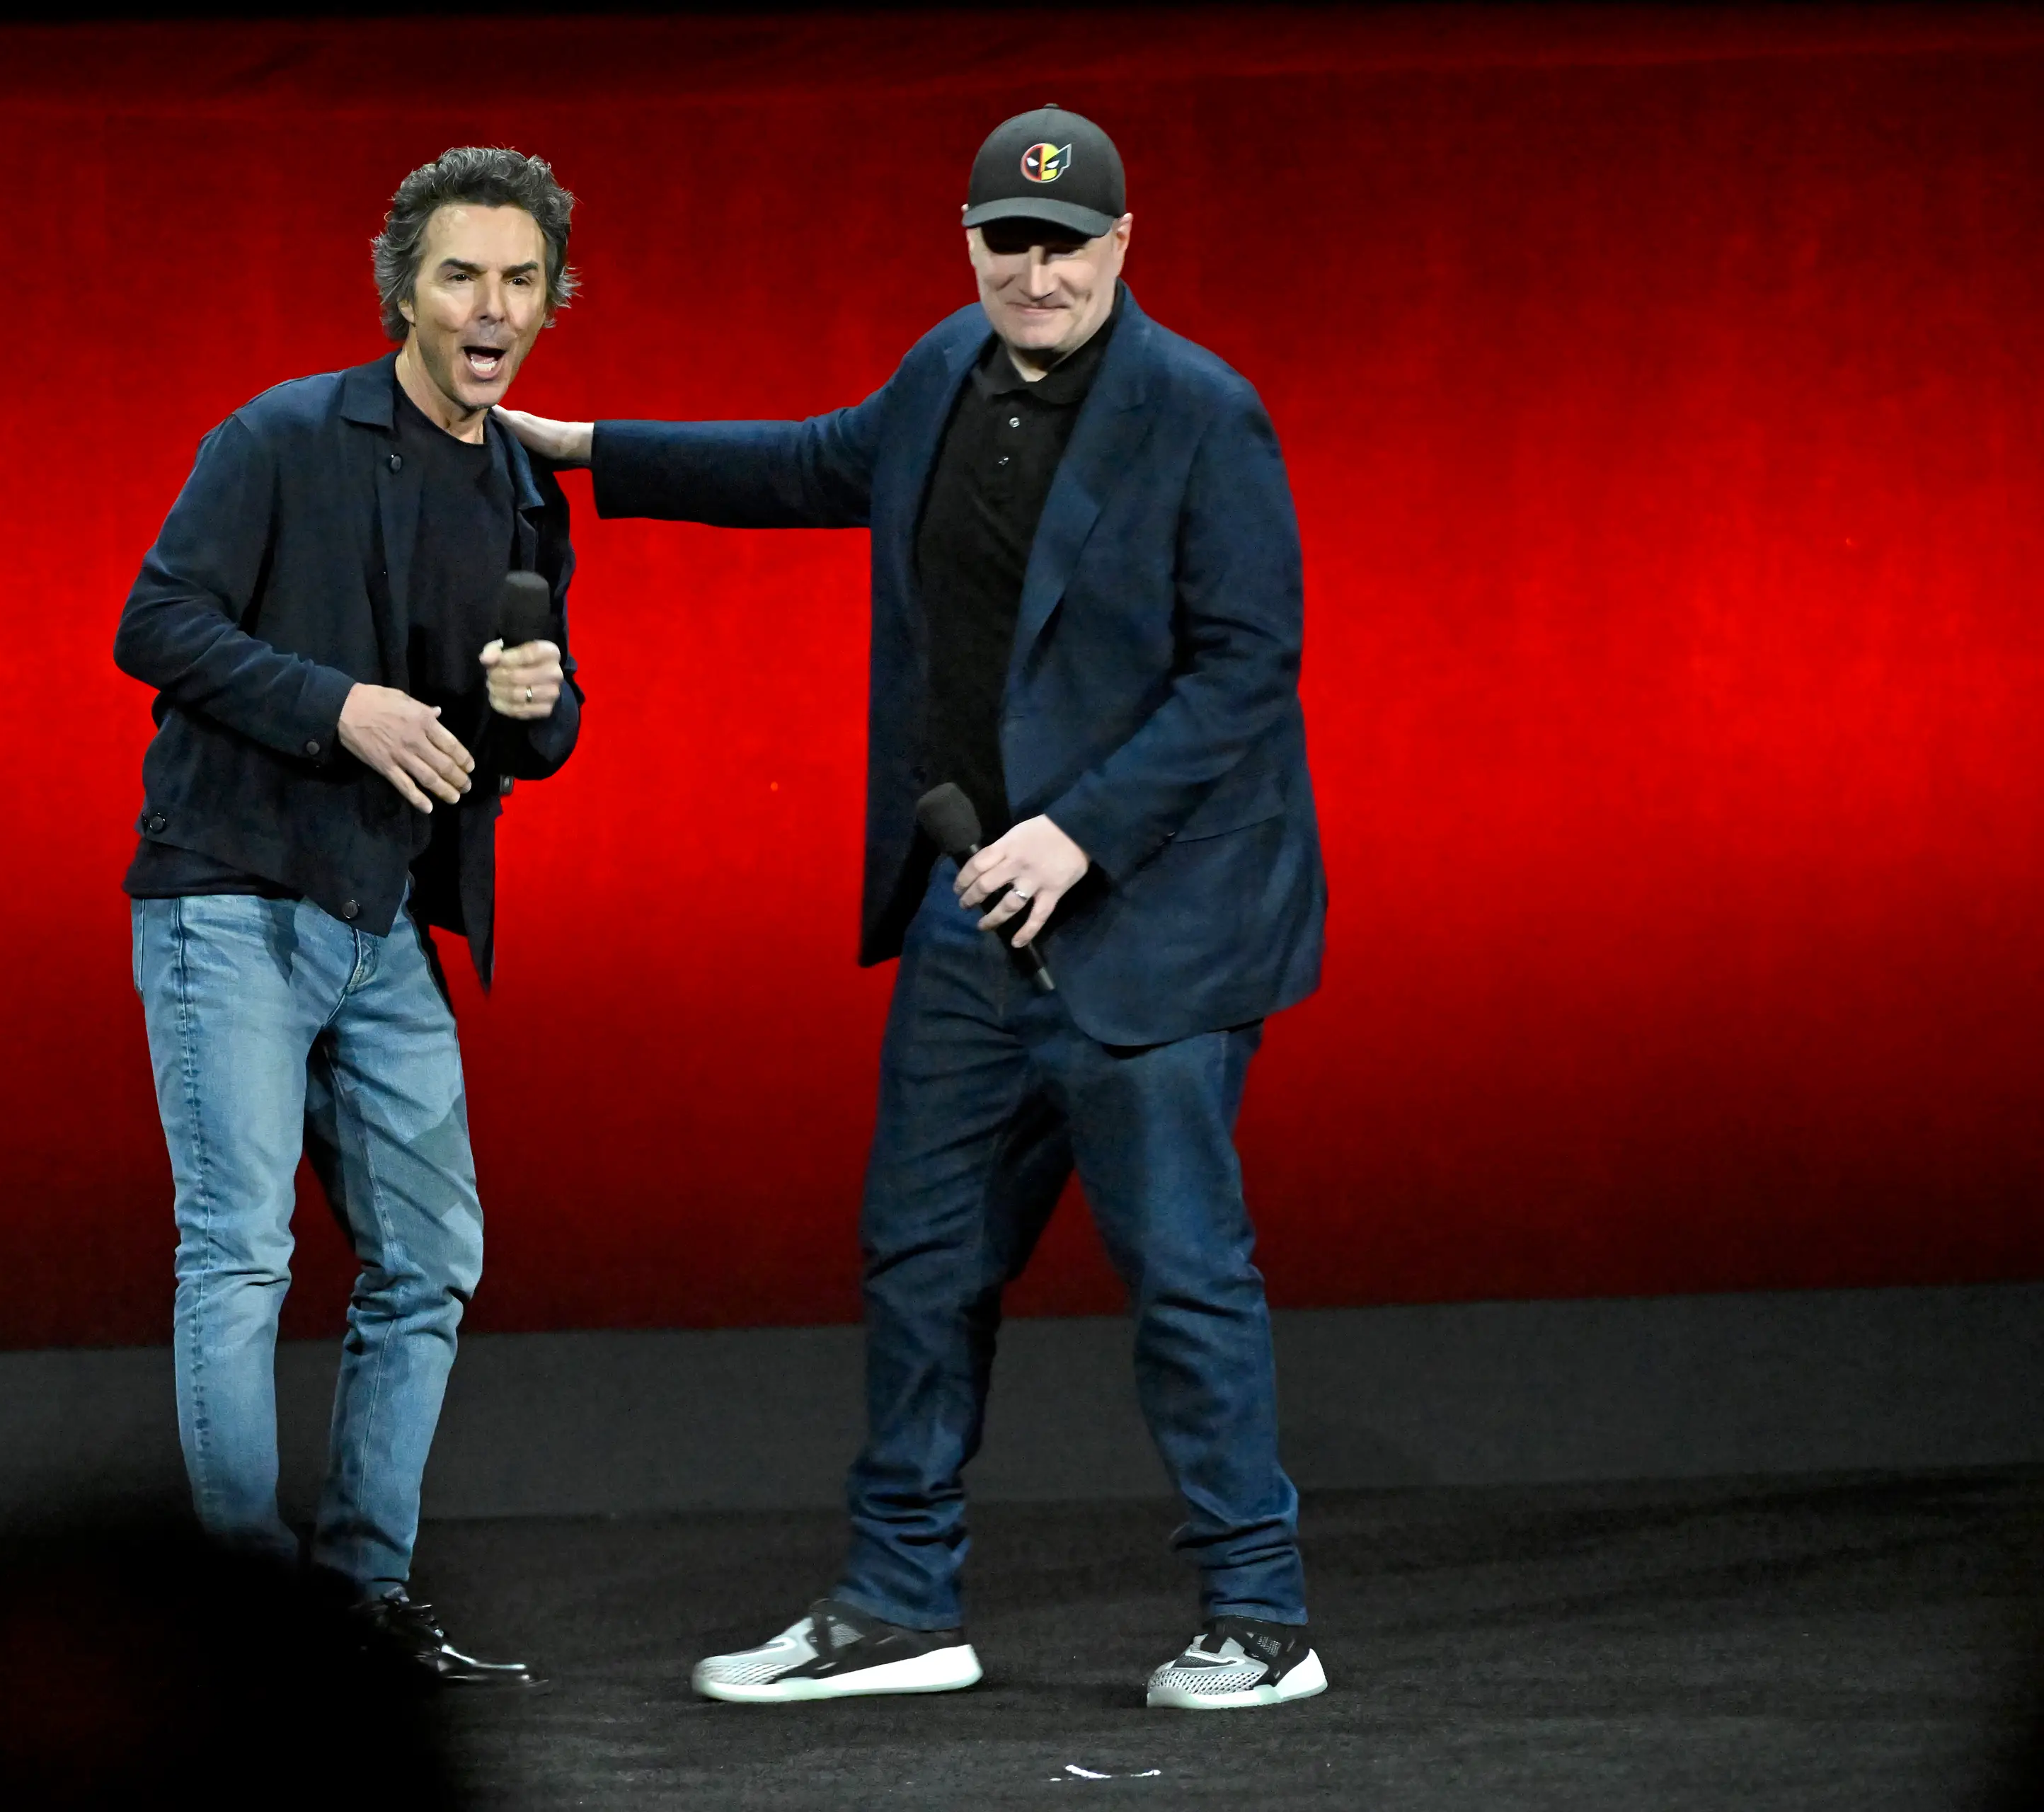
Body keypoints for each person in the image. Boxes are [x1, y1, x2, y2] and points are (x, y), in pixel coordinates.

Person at [499, 106, 1329, 1709]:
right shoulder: (948, 363)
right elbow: (823, 461)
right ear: (970, 244)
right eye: (1007, 242)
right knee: (922, 1252)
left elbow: (1248, 666)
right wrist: (600, 453)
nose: (1036, 270)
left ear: (1122, 245)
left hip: (1148, 925)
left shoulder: (1201, 414)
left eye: (1066, 241)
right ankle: (901, 1602)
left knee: (1183, 1270)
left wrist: (1078, 835)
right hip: (971, 911)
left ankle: (1262, 1614)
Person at [113, 145, 583, 1689]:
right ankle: (244, 1634)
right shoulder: (282, 435)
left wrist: (540, 708)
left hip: (387, 922)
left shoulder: (525, 490)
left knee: (432, 1252)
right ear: (404, 286)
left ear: (551, 301)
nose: (489, 305)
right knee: (242, 1249)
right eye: (461, 274)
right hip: (234, 896)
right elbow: (156, 622)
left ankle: (357, 1604)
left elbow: (528, 731)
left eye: (519, 279)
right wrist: (341, 709)